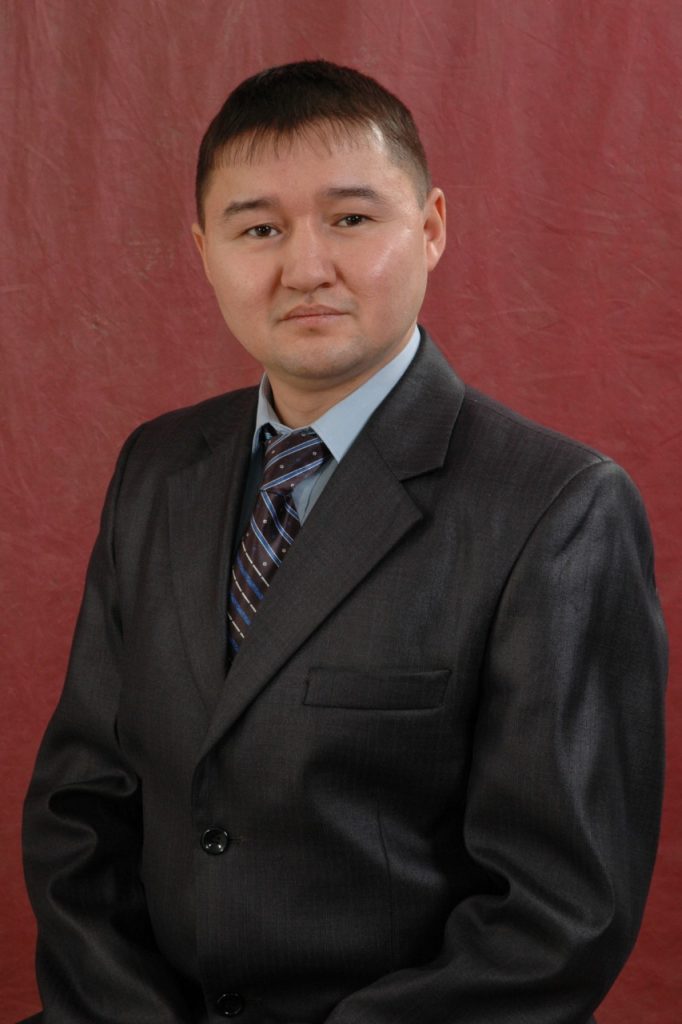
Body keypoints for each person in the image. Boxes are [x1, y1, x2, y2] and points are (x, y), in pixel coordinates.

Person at [21, 60, 667, 1024]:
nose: (306, 268)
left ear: (432, 227)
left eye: (352, 218)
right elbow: (80, 808)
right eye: (259, 229)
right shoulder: (157, 467)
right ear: (203, 251)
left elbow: (559, 916)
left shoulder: (558, 510)